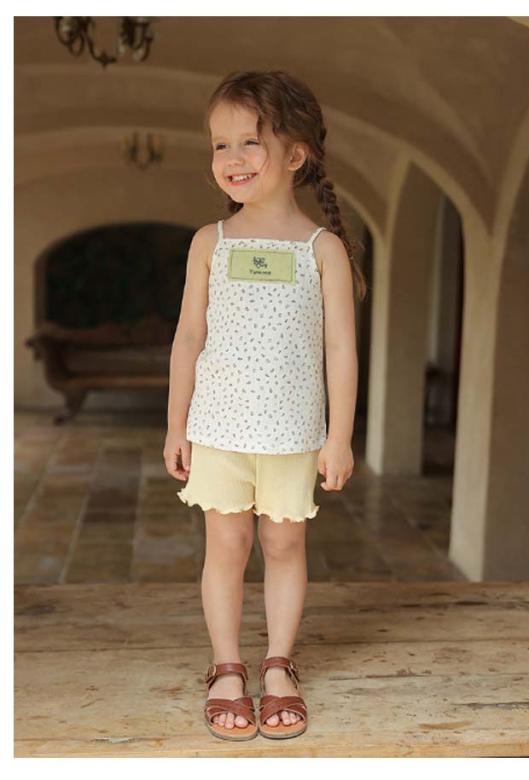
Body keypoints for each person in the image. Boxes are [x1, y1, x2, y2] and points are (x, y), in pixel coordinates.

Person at [163, 70, 366, 741]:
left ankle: (279, 664)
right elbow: (188, 337)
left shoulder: (322, 250)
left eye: (249, 141)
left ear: (296, 153)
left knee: (283, 543)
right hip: (218, 428)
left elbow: (341, 348)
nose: (232, 158)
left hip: (292, 433)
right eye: (219, 145)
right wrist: (176, 424)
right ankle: (226, 668)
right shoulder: (209, 243)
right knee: (226, 545)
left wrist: (340, 436)